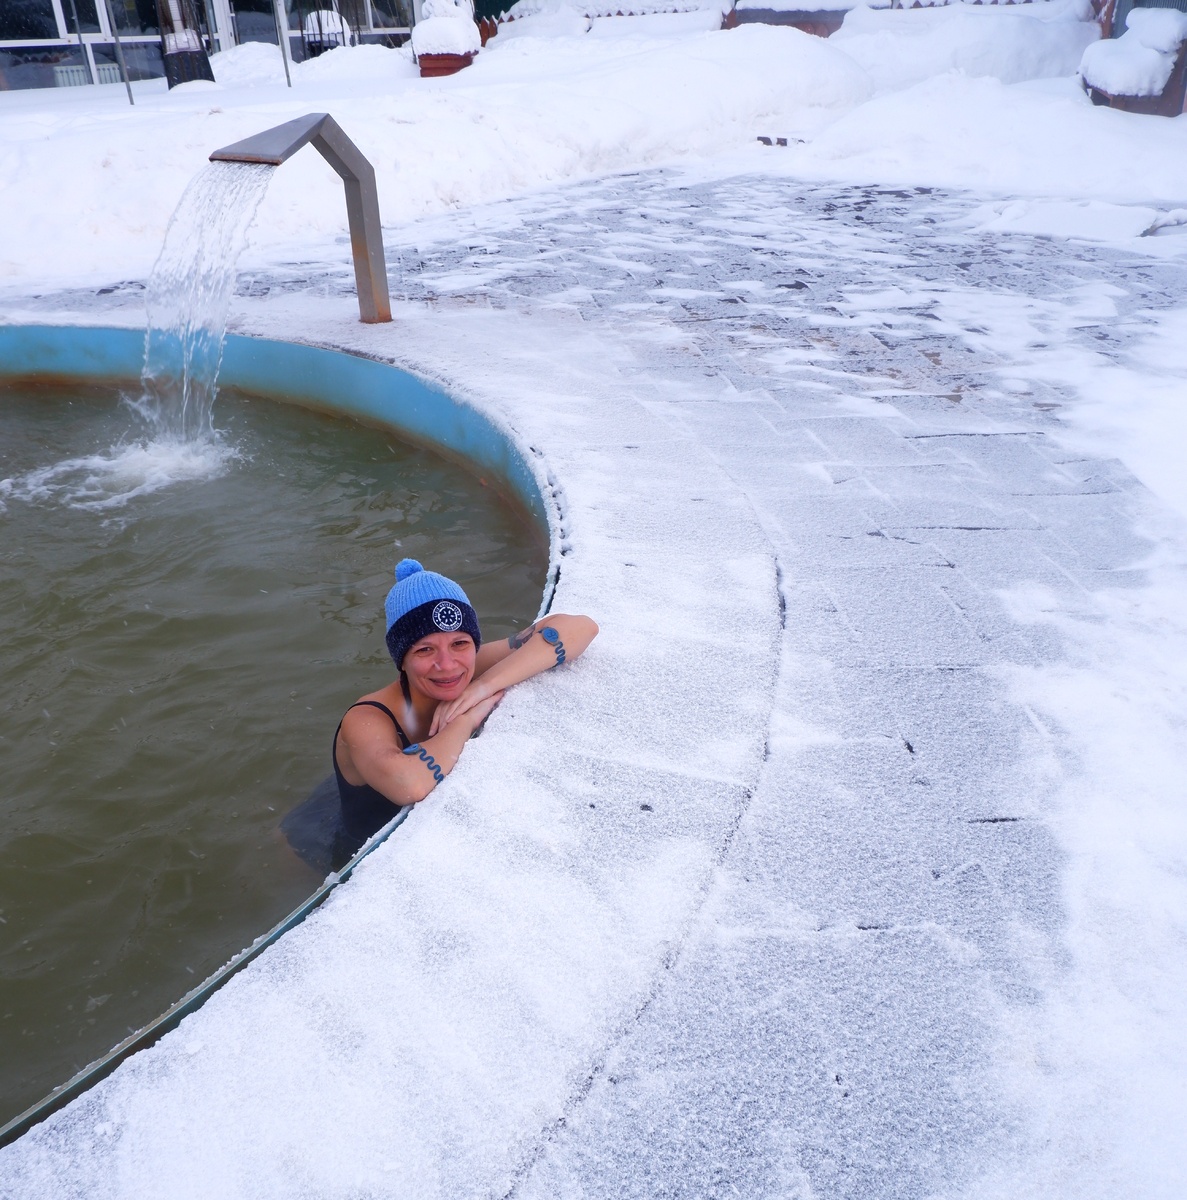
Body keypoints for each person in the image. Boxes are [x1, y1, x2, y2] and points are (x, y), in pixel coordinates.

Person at [331, 558, 598, 849]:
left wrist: (483, 687)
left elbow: (581, 628)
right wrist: (465, 719)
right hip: (351, 849)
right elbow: (409, 784)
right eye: (424, 649)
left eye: (460, 643)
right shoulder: (365, 718)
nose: (447, 665)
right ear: (401, 659)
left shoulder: (469, 669)